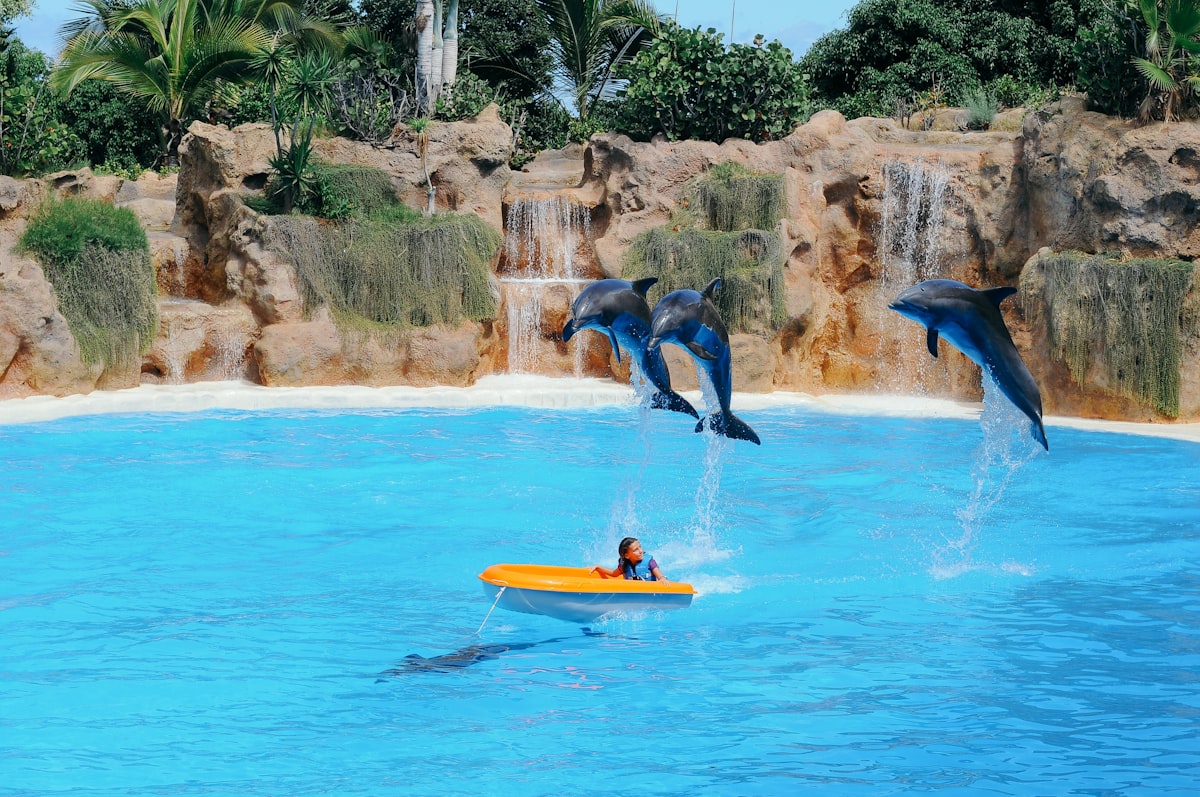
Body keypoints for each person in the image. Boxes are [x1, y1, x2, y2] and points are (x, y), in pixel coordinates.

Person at [592, 537, 669, 583]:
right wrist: (598, 567)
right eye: (636, 550)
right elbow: (613, 574)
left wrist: (662, 579)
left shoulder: (650, 562)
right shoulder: (624, 565)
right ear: (627, 555)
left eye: (640, 547)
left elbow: (660, 576)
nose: (641, 551)